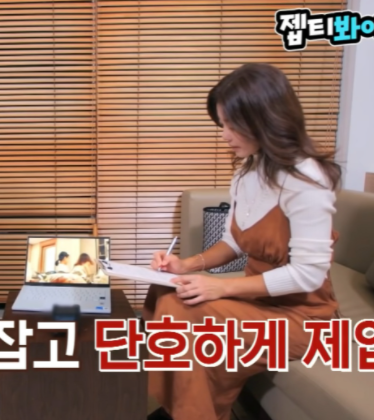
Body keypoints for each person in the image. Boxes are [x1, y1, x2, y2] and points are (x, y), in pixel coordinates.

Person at [144, 63, 341, 420]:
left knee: (181, 310)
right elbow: (234, 243)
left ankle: (190, 411)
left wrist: (221, 288)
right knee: (165, 289)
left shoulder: (307, 180)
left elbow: (309, 274)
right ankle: (184, 407)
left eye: (232, 125)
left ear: (266, 119)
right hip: (259, 300)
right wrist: (186, 265)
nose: (224, 135)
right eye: (222, 125)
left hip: (302, 315)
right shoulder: (247, 171)